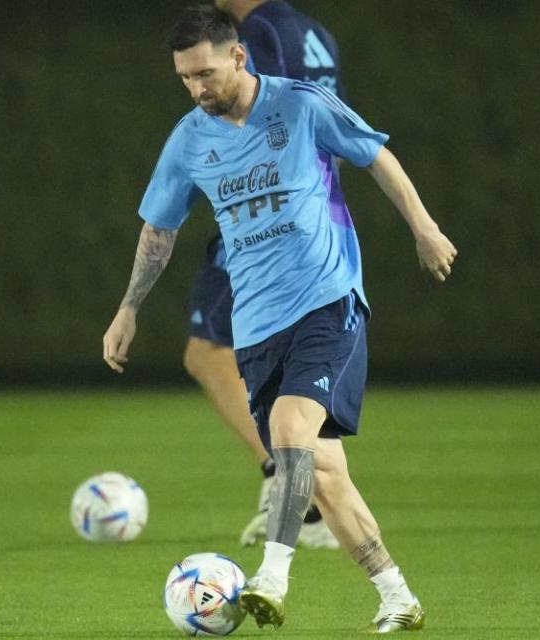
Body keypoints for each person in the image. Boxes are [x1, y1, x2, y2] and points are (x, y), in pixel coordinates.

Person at [103, 5, 456, 633]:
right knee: (323, 473)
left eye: (205, 73)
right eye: (185, 78)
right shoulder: (189, 139)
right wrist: (129, 308)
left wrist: (425, 229)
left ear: (238, 56)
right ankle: (398, 596)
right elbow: (159, 229)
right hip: (256, 324)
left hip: (328, 298)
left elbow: (375, 155)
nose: (196, 88)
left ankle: (271, 577)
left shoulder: (300, 105)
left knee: (292, 430)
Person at [185, 0, 348, 550]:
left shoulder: (256, 31)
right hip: (314, 208)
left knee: (210, 352)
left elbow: (261, 118)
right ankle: (302, 493)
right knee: (272, 359)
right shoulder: (311, 31)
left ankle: (296, 497)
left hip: (268, 218)